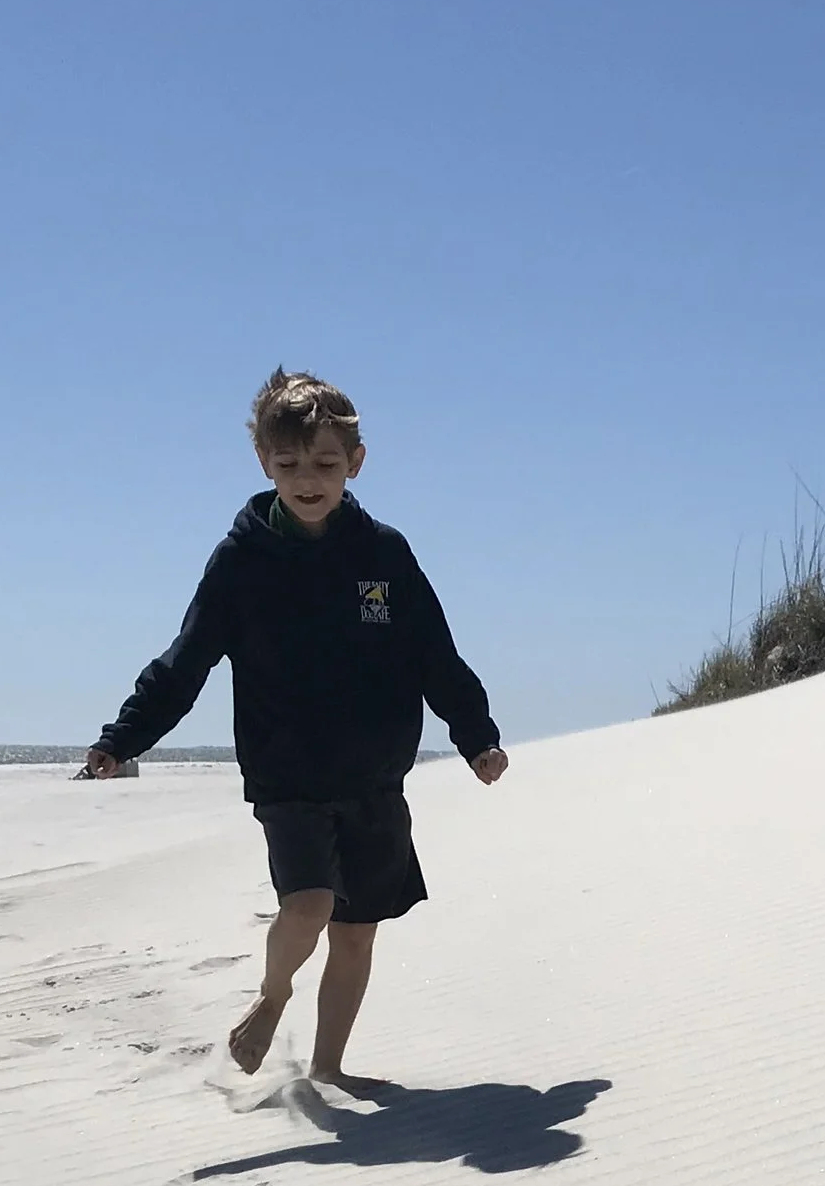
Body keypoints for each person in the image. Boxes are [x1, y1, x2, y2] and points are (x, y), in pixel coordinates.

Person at [82, 367, 507, 1079]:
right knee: (308, 905)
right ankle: (272, 996)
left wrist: (476, 735)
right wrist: (122, 738)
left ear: (355, 464)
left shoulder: (385, 556)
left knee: (355, 934)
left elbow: (435, 654)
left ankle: (327, 1068)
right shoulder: (241, 563)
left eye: (325, 464)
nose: (307, 479)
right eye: (289, 464)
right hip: (289, 777)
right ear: (263, 463)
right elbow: (185, 663)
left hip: (375, 780)